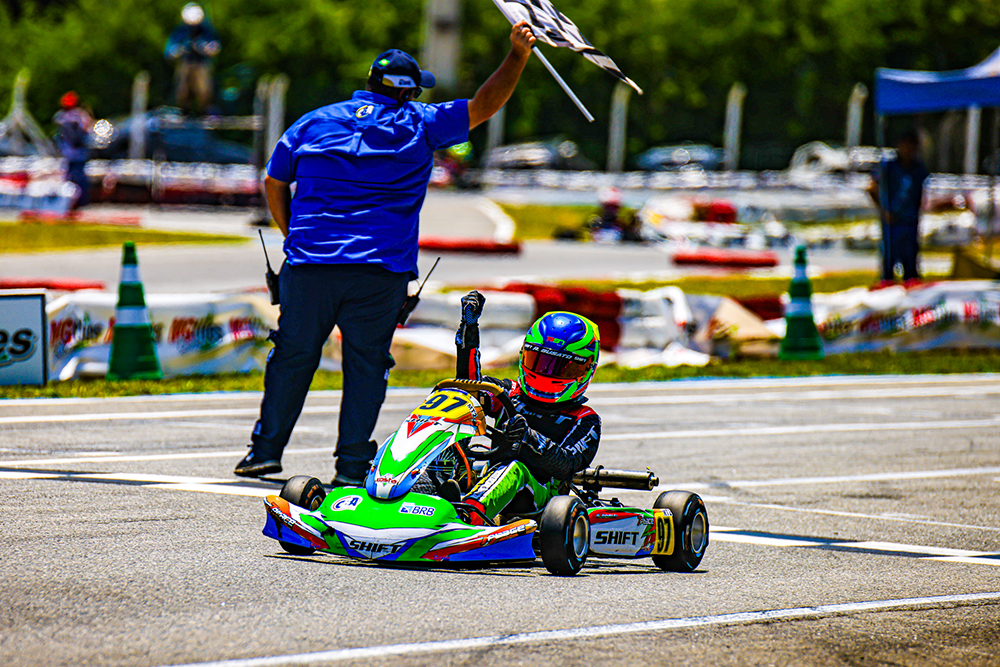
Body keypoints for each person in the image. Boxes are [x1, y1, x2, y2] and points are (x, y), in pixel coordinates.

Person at [234, 23, 538, 483]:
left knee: (292, 355)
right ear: (410, 92)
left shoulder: (313, 121)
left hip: (309, 264)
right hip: (380, 270)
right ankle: (352, 466)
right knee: (366, 365)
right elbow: (485, 105)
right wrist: (516, 56)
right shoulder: (421, 123)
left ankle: (265, 450)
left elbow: (275, 181)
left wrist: (292, 230)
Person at [441, 290, 602, 524]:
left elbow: (568, 464)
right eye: (539, 361)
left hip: (544, 502)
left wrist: (528, 438)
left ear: (585, 369)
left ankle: (467, 517)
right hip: (490, 478)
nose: (545, 372)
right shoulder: (509, 394)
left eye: (560, 367)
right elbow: (469, 390)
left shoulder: (585, 420)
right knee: (447, 442)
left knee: (514, 468)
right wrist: (469, 329)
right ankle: (406, 497)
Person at [867, 130, 929, 284]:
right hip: (892, 222)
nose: (908, 150)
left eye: (912, 146)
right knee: (889, 265)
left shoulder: (919, 169)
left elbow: (922, 192)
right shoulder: (888, 167)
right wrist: (884, 211)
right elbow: (871, 188)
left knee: (910, 266)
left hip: (910, 221)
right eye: (905, 145)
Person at [164, 3, 221, 114]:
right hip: (185, 63)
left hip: (202, 63)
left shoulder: (207, 30)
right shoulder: (180, 31)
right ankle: (183, 111)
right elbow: (169, 51)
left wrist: (204, 48)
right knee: (182, 89)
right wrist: (180, 50)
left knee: (204, 89)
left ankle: (204, 111)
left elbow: (216, 47)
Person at [53, 91, 93, 209]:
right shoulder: (69, 116)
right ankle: (72, 203)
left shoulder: (74, 116)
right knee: (71, 178)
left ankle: (80, 203)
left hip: (75, 154)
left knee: (78, 178)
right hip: (72, 154)